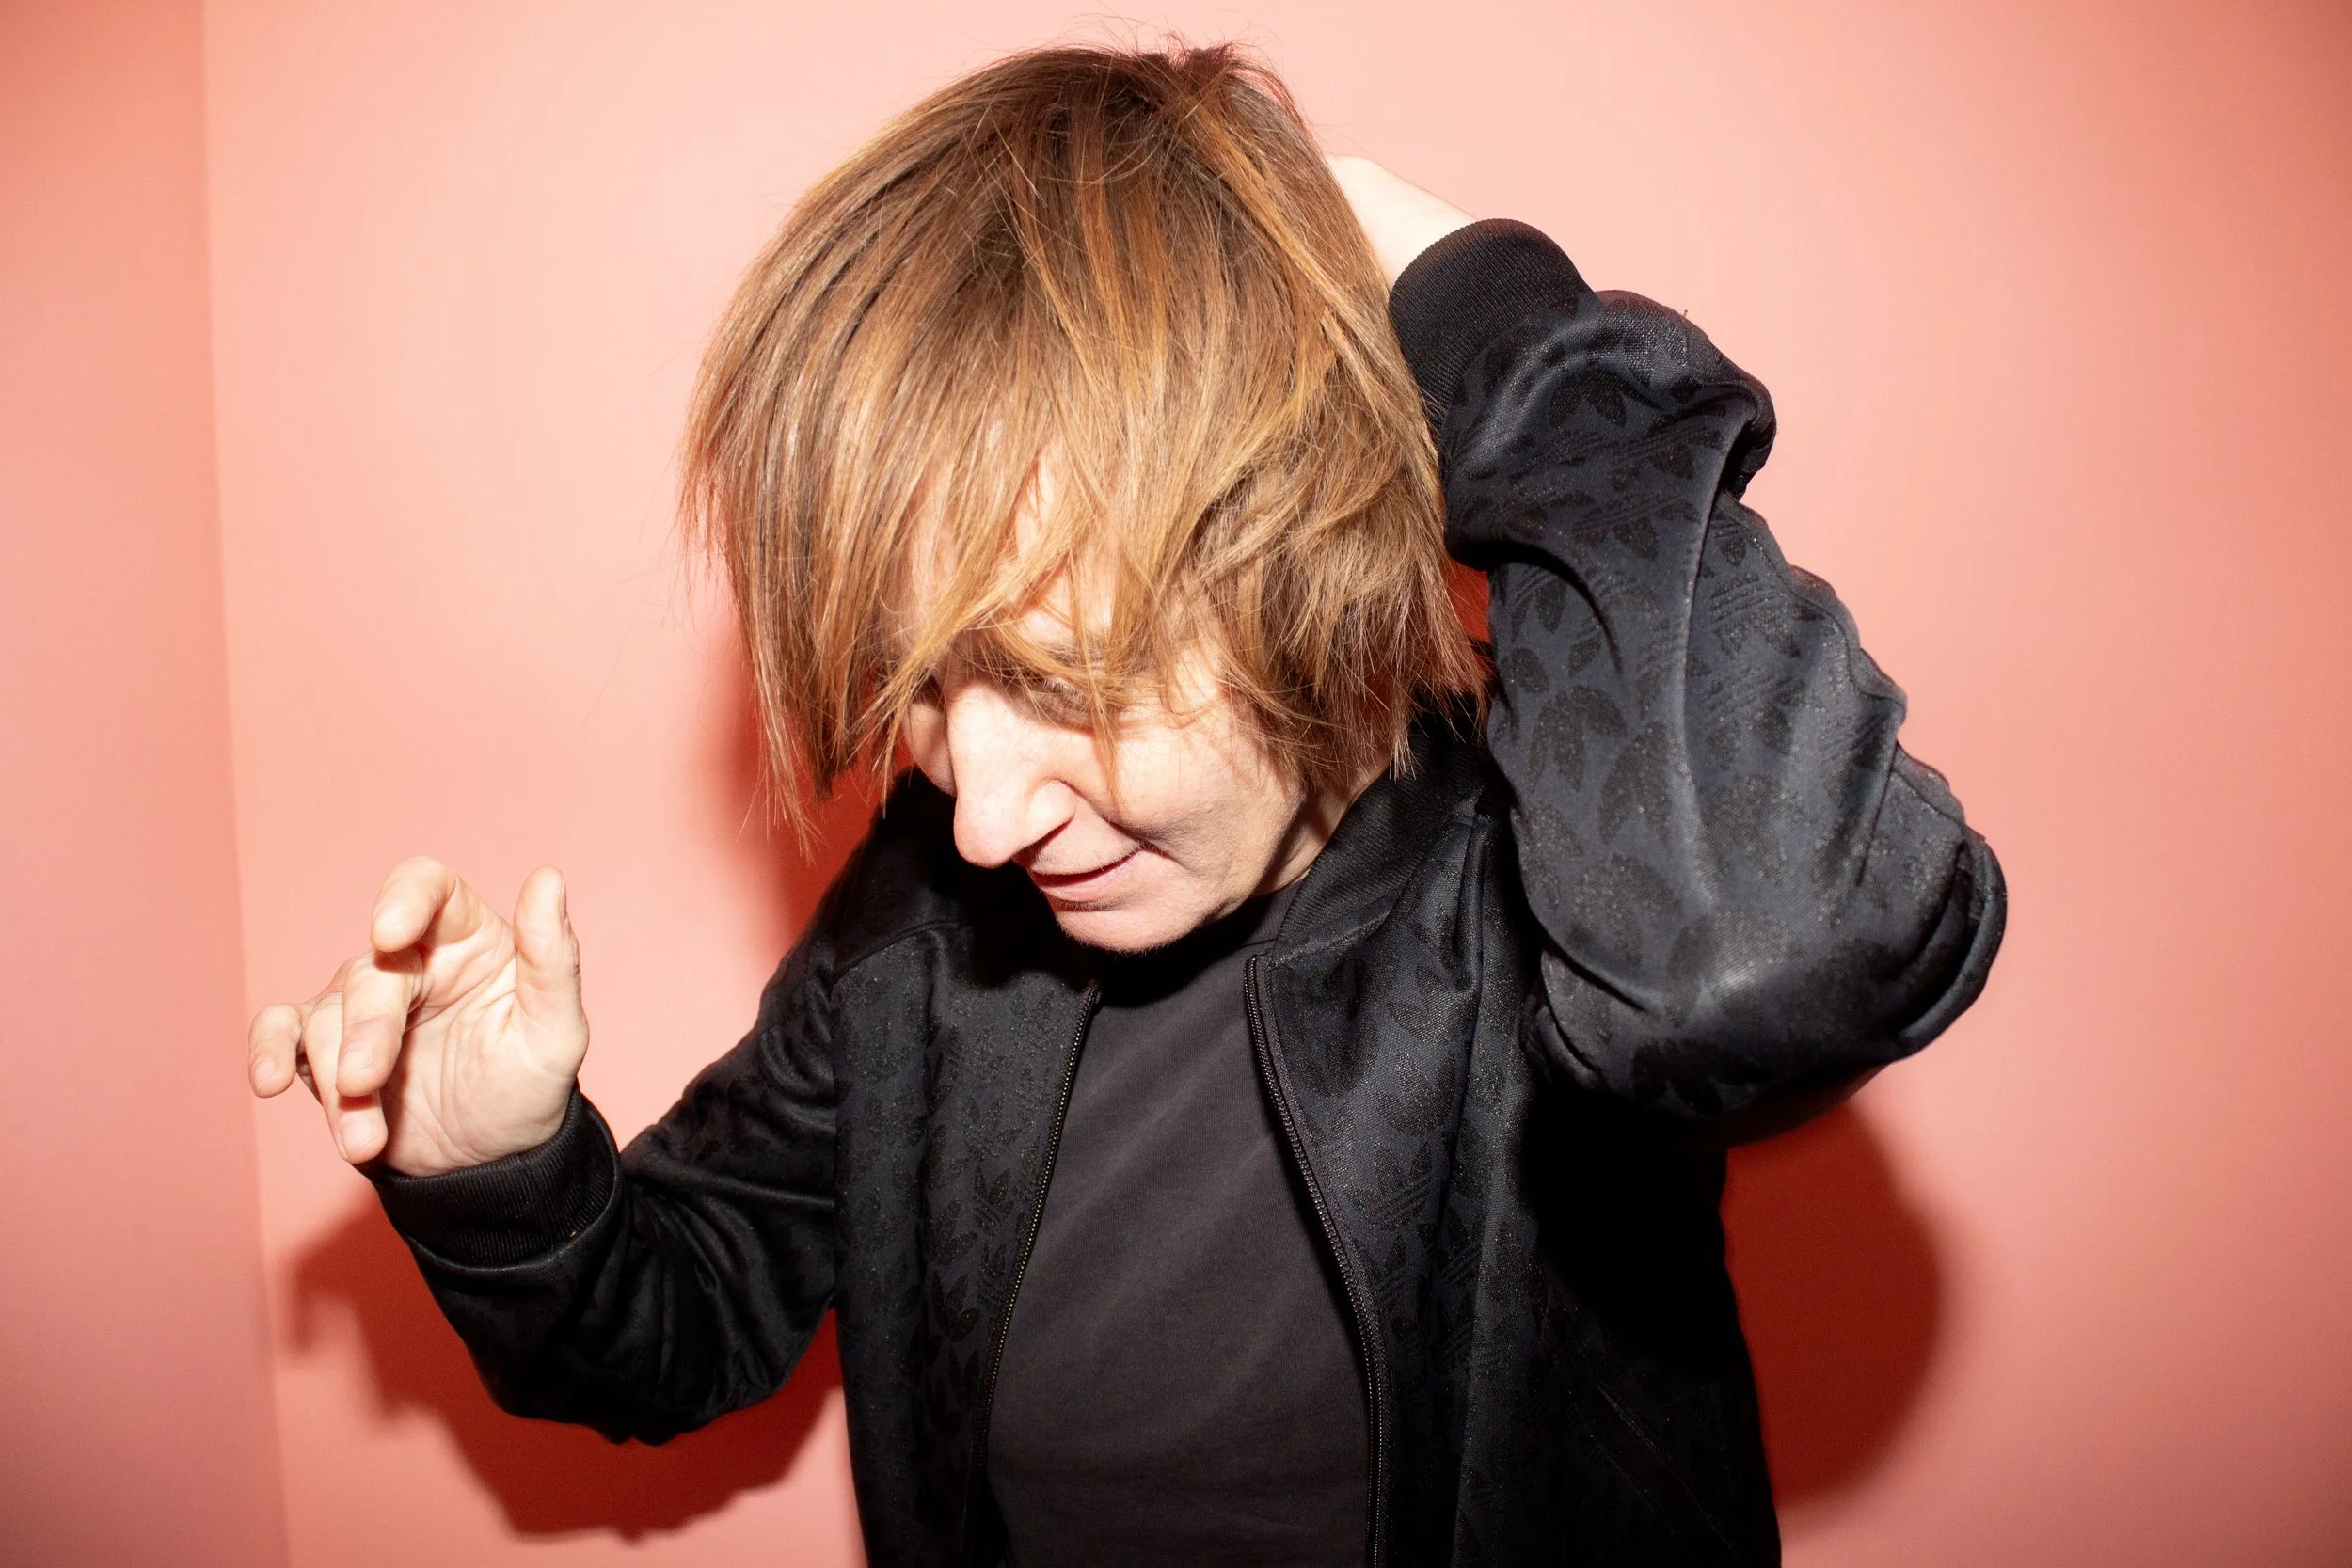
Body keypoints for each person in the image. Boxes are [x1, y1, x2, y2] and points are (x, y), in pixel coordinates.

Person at [246, 40, 2005, 1568]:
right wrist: (498, 1175)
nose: (982, 816)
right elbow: (681, 1313)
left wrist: (1480, 309)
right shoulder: (924, 922)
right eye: (922, 688)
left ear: (1292, 557)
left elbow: (1757, 961)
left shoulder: (1546, 863)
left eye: (1061, 679)